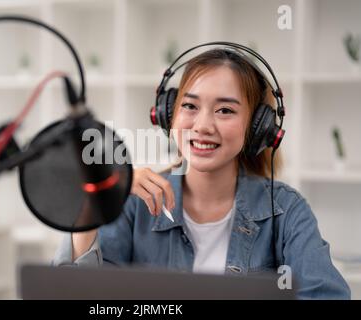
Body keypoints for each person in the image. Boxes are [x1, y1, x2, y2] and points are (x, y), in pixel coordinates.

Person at [53, 48, 350, 299]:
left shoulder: (285, 211)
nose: (203, 125)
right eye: (190, 106)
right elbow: (78, 296)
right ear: (168, 115)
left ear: (258, 127)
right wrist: (95, 204)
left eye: (225, 110)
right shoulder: (134, 203)